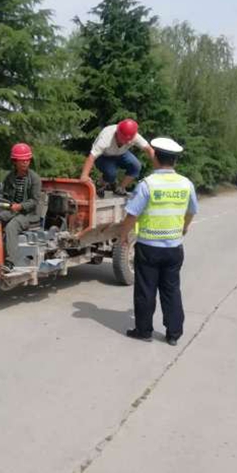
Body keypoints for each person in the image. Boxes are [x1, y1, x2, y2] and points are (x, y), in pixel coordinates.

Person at [119, 137, 198, 346]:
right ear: (175, 161)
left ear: (156, 158)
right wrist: (184, 227)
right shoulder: (186, 183)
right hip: (173, 247)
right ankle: (174, 334)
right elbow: (192, 211)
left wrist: (123, 236)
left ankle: (143, 330)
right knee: (171, 290)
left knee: (146, 290)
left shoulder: (147, 184)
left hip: (148, 248)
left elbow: (132, 214)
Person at [79, 118, 154, 197]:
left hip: (121, 154)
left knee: (136, 166)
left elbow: (149, 150)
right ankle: (101, 184)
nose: (128, 143)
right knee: (111, 174)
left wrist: (159, 169)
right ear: (118, 134)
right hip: (104, 156)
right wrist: (84, 175)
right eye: (125, 140)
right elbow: (92, 156)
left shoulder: (134, 135)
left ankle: (120, 188)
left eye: (129, 140)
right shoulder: (106, 136)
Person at [0, 143, 42, 271]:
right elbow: (4, 197)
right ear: (15, 161)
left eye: (27, 159)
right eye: (21, 160)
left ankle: (10, 262)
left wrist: (21, 206)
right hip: (12, 210)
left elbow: (35, 201)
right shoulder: (9, 177)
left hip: (29, 215)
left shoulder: (34, 179)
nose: (25, 162)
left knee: (12, 226)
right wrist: (2, 206)